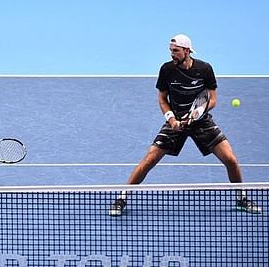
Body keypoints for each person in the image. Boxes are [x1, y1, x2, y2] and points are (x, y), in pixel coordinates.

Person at [109, 34, 261, 216]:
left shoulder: (205, 69)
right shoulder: (166, 70)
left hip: (201, 121)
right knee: (149, 160)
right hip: (176, 119)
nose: (172, 54)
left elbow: (212, 100)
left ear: (187, 51)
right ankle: (122, 198)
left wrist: (198, 112)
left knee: (231, 160)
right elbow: (162, 99)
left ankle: (241, 198)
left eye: (176, 51)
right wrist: (171, 119)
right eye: (170, 51)